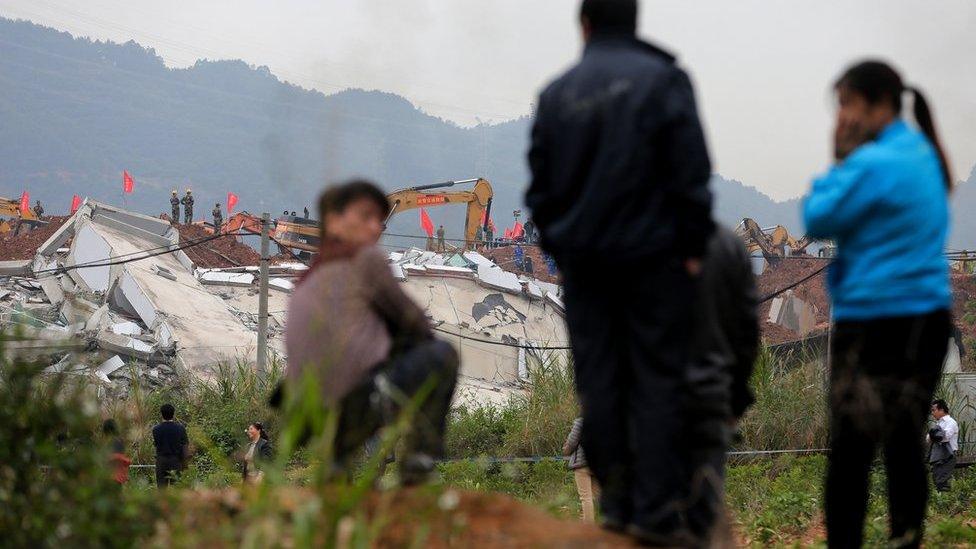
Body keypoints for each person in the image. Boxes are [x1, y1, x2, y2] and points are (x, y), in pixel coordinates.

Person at [525, 0, 713, 543]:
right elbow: (693, 174)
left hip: (588, 268)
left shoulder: (558, 94)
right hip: (656, 263)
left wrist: (566, 249)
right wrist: (691, 251)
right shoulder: (665, 80)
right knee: (654, 381)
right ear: (635, 22)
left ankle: (618, 509)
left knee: (600, 385)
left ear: (584, 26)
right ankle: (653, 514)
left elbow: (540, 192)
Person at [803, 60, 953, 549]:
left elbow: (817, 216)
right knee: (905, 444)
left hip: (872, 322)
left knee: (850, 451)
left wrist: (839, 157)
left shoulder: (870, 164)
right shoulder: (926, 156)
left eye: (846, 104)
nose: (842, 117)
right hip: (928, 320)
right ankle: (905, 540)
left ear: (876, 104)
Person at [285, 179, 459, 484]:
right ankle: (418, 464)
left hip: (305, 409)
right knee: (442, 356)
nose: (376, 227)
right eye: (365, 217)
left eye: (378, 220)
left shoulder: (307, 278)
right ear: (334, 221)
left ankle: (338, 468)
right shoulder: (365, 258)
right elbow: (415, 322)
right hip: (356, 401)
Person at [684, 225, 759, 546]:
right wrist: (735, 402)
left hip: (638, 411)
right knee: (704, 516)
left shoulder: (616, 242)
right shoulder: (728, 247)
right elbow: (746, 337)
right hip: (707, 406)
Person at [563, 417, 600, 524]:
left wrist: (566, 450)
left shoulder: (581, 421)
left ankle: (589, 527)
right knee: (598, 496)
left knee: (586, 497)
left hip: (582, 464)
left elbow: (572, 442)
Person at [152, 403, 189, 487]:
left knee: (162, 489)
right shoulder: (180, 428)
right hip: (176, 461)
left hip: (161, 461)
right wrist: (185, 464)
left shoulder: (156, 429)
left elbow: (156, 445)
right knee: (177, 489)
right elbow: (185, 445)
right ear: (173, 413)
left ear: (161, 414)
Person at [928, 399, 958, 492]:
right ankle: (943, 503)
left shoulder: (950, 422)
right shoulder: (939, 423)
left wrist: (935, 434)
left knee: (942, 481)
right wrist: (935, 435)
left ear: (941, 410)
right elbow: (928, 438)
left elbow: (945, 437)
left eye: (934, 410)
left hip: (948, 455)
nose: (932, 413)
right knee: (937, 480)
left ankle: (947, 503)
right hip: (938, 455)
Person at [103, 419, 131, 484]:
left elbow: (116, 457)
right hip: (119, 476)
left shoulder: (114, 442)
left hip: (113, 476)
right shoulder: (120, 440)